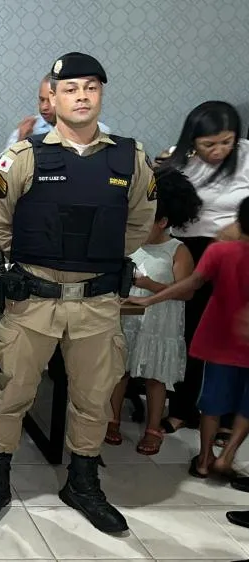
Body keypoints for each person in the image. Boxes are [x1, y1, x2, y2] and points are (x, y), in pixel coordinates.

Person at [0, 52, 155, 533]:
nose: (81, 96)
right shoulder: (24, 156)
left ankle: (82, 483)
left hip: (97, 302)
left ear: (100, 94)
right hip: (34, 300)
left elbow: (138, 225)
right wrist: (40, 263)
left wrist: (92, 260)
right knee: (13, 393)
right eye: (70, 88)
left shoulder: (130, 158)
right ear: (52, 96)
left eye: (90, 87)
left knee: (93, 400)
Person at [0, 74, 111, 370]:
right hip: (34, 254)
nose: (44, 105)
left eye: (49, 98)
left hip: (83, 261)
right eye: (41, 99)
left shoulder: (101, 135)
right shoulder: (29, 132)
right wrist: (20, 141)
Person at [129, 196, 249, 481]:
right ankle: (229, 454)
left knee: (211, 405)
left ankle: (205, 459)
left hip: (219, 340)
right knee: (247, 404)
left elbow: (191, 283)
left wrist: (150, 299)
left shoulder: (220, 252)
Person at [157, 101, 249, 440]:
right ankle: (182, 408)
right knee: (191, 333)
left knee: (230, 336)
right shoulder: (177, 160)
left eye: (226, 141)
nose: (218, 150)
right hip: (191, 252)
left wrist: (237, 230)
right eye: (208, 144)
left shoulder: (247, 155)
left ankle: (224, 413)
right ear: (192, 139)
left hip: (236, 253)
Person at [105, 167, 201, 455]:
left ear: (162, 221)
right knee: (118, 371)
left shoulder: (177, 250)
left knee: (155, 377)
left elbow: (187, 291)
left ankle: (152, 427)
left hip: (161, 325)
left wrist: (148, 284)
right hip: (128, 322)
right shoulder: (129, 246)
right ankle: (112, 419)